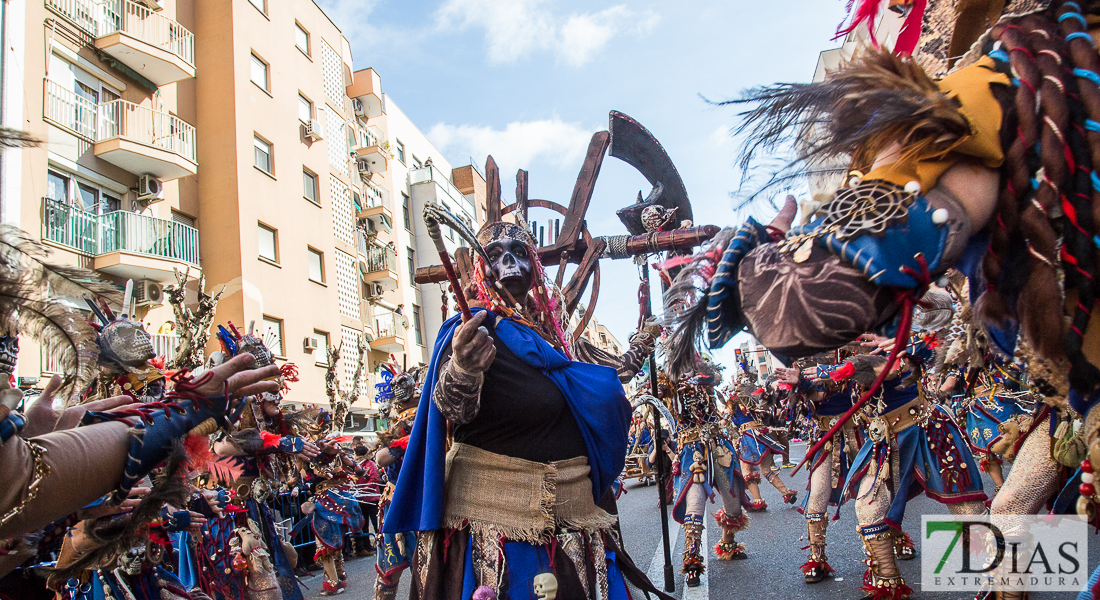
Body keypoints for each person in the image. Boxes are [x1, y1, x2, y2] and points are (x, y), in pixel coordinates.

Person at [383, 221, 667, 599]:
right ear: (482, 268)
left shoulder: (557, 338)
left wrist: (646, 334)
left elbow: (614, 375)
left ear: (534, 266)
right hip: (497, 529)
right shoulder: (471, 328)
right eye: (496, 255)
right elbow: (452, 409)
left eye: (519, 254)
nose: (509, 262)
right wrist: (465, 369)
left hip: (575, 517)